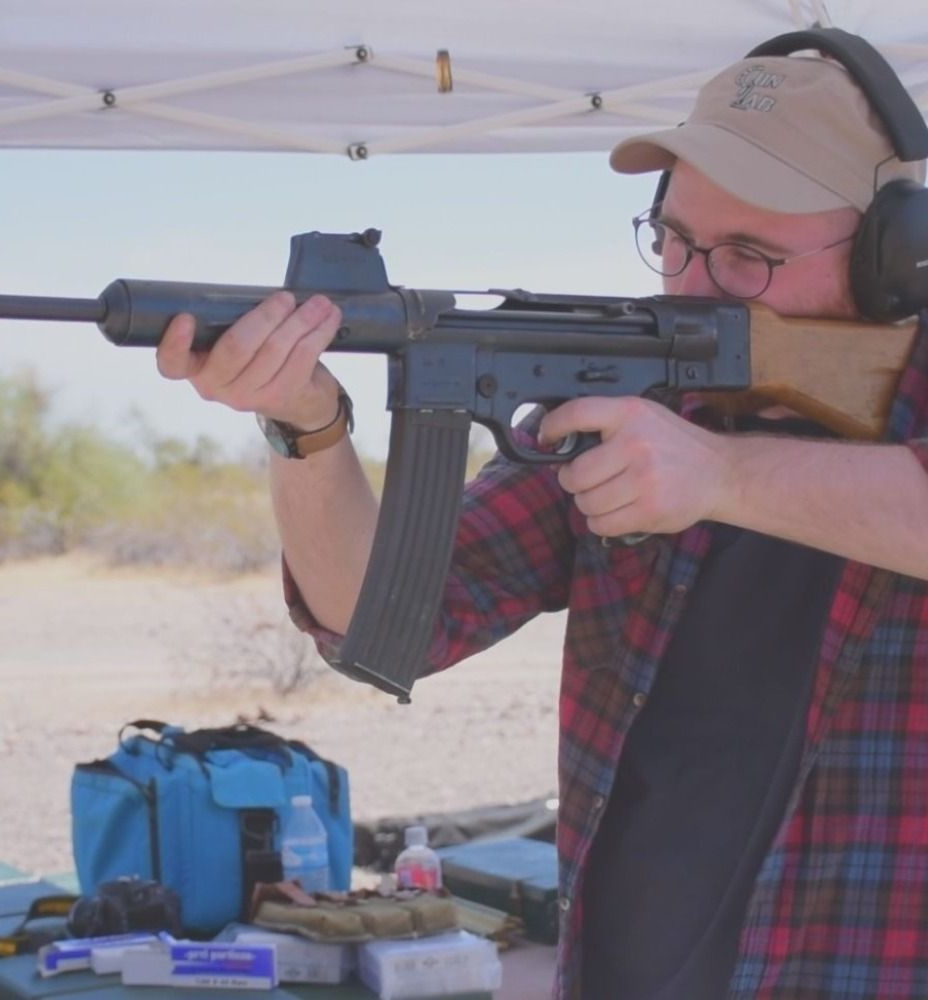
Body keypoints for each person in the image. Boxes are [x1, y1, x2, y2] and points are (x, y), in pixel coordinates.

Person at [156, 43, 928, 1000]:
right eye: (675, 240)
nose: (691, 286)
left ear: (894, 257)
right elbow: (387, 617)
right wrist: (305, 425)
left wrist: (720, 475)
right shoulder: (643, 395)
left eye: (749, 259)